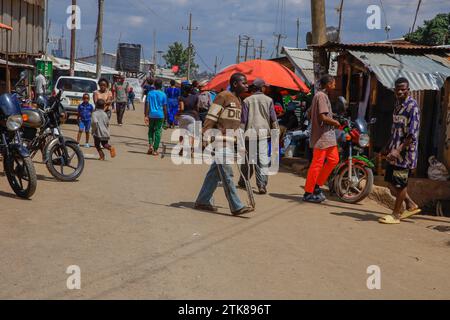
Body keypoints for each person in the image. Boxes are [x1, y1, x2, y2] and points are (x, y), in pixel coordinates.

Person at [194, 73, 254, 216]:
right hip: (219, 140)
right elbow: (211, 117)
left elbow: (236, 126)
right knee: (227, 173)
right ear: (235, 84)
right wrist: (204, 136)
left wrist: (240, 144)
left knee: (214, 173)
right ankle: (236, 206)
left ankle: (203, 200)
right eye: (244, 83)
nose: (246, 85)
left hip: (230, 141)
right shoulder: (223, 96)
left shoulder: (239, 101)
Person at [379, 77, 421, 224]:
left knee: (400, 183)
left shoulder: (412, 107)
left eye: (403, 89)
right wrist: (388, 146)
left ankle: (396, 214)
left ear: (408, 89)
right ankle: (411, 204)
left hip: (405, 154)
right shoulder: (397, 104)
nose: (400, 91)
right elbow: (395, 129)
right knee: (390, 182)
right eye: (398, 89)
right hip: (394, 150)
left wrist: (398, 150)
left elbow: (412, 134)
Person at [303, 74, 341, 203]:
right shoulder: (321, 96)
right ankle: (308, 192)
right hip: (322, 137)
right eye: (334, 83)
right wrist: (335, 122)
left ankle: (317, 186)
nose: (335, 86)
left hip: (328, 137)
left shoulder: (323, 96)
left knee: (333, 160)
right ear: (329, 84)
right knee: (317, 164)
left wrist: (334, 117)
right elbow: (322, 117)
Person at [239, 78, 278, 195]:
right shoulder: (269, 100)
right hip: (263, 134)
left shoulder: (247, 100)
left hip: (249, 134)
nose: (265, 88)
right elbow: (273, 119)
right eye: (264, 86)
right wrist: (276, 132)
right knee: (262, 160)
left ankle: (243, 180)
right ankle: (261, 185)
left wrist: (240, 134)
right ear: (261, 88)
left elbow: (243, 120)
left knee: (248, 160)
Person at [145, 79, 167, 156]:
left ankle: (150, 145)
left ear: (154, 85)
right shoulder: (163, 94)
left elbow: (147, 105)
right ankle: (155, 150)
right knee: (158, 132)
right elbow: (164, 107)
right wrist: (166, 119)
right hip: (160, 115)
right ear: (161, 86)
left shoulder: (150, 93)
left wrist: (146, 115)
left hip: (151, 115)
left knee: (150, 130)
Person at [177, 83, 200, 155]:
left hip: (183, 117)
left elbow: (182, 108)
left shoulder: (181, 97)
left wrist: (177, 114)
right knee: (191, 135)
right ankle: (192, 149)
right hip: (192, 117)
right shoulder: (195, 97)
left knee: (182, 134)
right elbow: (197, 108)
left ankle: (182, 149)